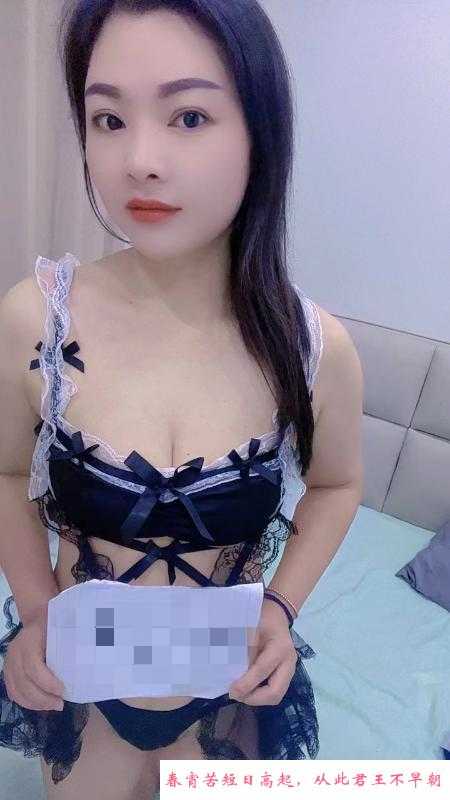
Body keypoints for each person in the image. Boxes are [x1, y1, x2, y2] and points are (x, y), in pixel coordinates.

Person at [0, 1, 364, 798]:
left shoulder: (312, 350)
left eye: (189, 116)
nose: (139, 161)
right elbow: (4, 472)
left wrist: (281, 608)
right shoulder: (37, 320)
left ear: (260, 130)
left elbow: (338, 485)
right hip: (82, 681)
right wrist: (35, 609)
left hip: (225, 692)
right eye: (108, 119)